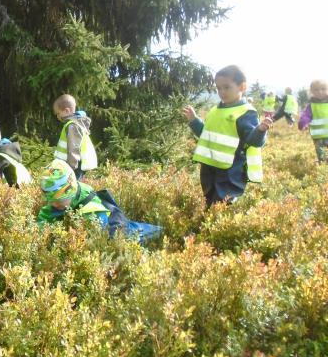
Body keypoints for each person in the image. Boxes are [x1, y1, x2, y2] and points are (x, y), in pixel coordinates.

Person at [182, 65, 272, 207]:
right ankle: (210, 223)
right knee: (209, 198)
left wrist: (260, 130)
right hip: (209, 165)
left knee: (225, 201)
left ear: (242, 87)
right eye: (218, 88)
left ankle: (224, 226)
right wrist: (194, 120)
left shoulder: (246, 112)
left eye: (227, 87)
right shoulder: (215, 110)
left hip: (231, 168)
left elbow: (253, 141)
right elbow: (206, 134)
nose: (222, 92)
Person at [37, 159, 161, 242]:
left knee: (137, 236)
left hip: (117, 229)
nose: (54, 204)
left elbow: (94, 240)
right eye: (50, 200)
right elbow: (43, 220)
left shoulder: (92, 211)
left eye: (59, 200)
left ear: (72, 191)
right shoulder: (58, 204)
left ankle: (161, 232)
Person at [52, 94, 97, 180]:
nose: (57, 117)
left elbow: (74, 148)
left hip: (75, 166)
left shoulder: (72, 125)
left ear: (66, 111)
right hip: (75, 165)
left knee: (73, 189)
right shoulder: (75, 124)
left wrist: (70, 168)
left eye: (58, 113)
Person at [298, 79, 328, 163]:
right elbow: (305, 116)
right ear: (311, 91)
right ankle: (322, 162)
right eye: (316, 90)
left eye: (323, 89)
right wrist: (303, 123)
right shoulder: (311, 105)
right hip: (317, 135)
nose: (320, 92)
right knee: (320, 151)